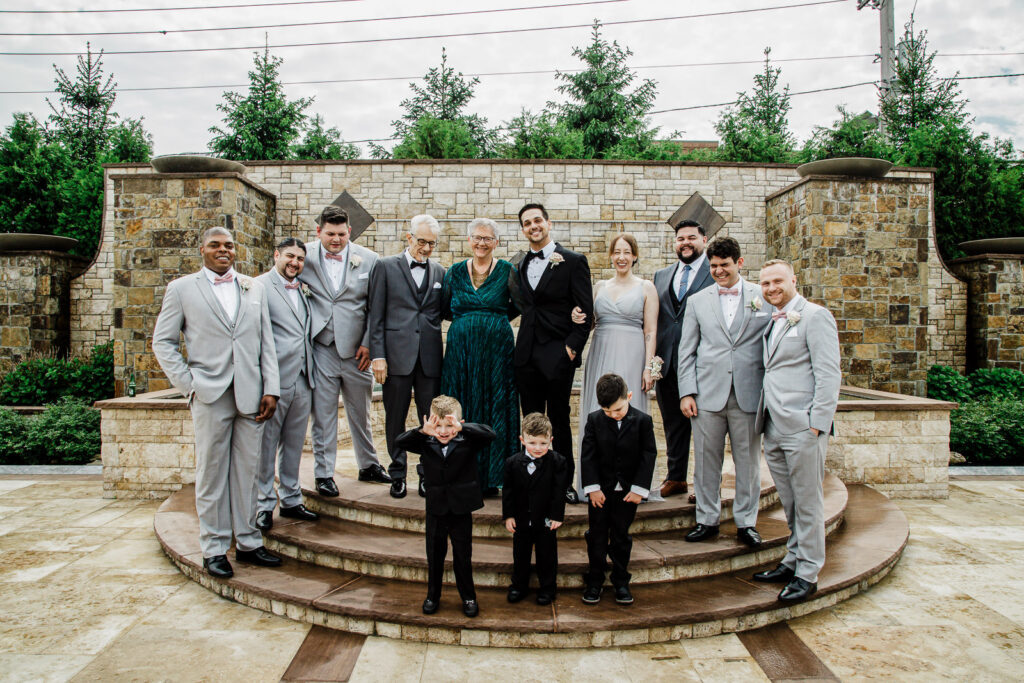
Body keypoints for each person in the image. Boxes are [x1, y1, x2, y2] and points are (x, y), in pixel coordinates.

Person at [152, 227, 282, 578]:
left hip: (252, 395)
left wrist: (272, 387)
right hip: (209, 393)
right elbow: (162, 343)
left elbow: (265, 341)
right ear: (202, 249)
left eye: (228, 245)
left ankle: (250, 542)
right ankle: (213, 548)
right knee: (211, 473)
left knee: (249, 472)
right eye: (215, 245)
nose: (222, 250)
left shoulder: (253, 287)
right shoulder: (181, 289)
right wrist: (189, 385)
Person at [751, 259, 841, 603]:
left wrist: (817, 423)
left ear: (793, 280)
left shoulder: (815, 316)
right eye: (765, 284)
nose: (771, 288)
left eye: (777, 281)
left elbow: (829, 374)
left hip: (803, 427)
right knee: (789, 501)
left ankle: (808, 573)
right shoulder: (773, 319)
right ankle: (792, 558)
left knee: (808, 502)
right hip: (773, 424)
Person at [677, 236, 770, 548]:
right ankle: (706, 520)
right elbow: (686, 350)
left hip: (748, 393)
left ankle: (746, 523)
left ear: (739, 264)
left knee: (748, 463)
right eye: (713, 266)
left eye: (724, 266)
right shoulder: (697, 301)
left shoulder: (763, 296)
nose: (718, 271)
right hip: (706, 394)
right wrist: (686, 392)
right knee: (705, 461)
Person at [300, 206, 390, 498]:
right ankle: (324, 473)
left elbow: (376, 307)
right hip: (322, 347)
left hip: (357, 351)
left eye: (341, 234)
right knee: (323, 413)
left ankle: (369, 464)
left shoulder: (370, 260)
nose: (336, 240)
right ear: (319, 232)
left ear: (349, 231)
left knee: (360, 411)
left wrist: (369, 343)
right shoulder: (304, 257)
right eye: (330, 234)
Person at [509, 202, 594, 504]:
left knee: (558, 420)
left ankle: (563, 483)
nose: (533, 226)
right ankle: (530, 481)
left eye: (537, 221)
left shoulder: (572, 261)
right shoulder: (518, 264)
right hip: (526, 357)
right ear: (523, 229)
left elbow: (587, 311)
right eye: (527, 223)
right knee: (530, 421)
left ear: (548, 222)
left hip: (558, 355)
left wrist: (571, 349)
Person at [396, 396, 496, 618]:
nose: (443, 431)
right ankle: (433, 595)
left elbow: (490, 434)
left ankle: (468, 596)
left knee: (463, 555)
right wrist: (423, 431)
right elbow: (399, 442)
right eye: (438, 425)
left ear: (459, 423)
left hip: (461, 509)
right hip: (436, 509)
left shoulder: (467, 440)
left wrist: (462, 428)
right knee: (434, 554)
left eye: (449, 425)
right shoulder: (425, 441)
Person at [440, 218, 519, 498]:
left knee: (496, 403)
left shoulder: (508, 270)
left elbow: (518, 306)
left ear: (496, 242)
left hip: (497, 351)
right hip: (461, 350)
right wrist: (469, 322)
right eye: (477, 237)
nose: (481, 243)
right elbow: (446, 307)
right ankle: (460, 472)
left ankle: (493, 475)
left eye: (487, 238)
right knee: (461, 403)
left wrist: (491, 321)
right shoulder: (455, 271)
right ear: (469, 240)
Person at [368, 215, 446, 499]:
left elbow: (445, 310)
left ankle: (426, 474)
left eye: (432, 244)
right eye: (422, 241)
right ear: (409, 237)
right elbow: (375, 315)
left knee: (432, 420)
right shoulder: (385, 267)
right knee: (395, 418)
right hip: (395, 359)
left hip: (429, 359)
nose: (426, 248)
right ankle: (397, 473)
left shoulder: (440, 272)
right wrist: (378, 355)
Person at [574, 233, 658, 490]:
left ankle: (632, 483)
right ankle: (594, 482)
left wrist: (649, 367)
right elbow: (590, 324)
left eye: (626, 252)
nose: (621, 257)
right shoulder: (599, 287)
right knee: (597, 413)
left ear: (634, 256)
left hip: (633, 354)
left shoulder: (646, 287)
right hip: (601, 350)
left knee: (630, 413)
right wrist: (576, 317)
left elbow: (651, 331)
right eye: (617, 252)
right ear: (610, 256)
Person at [254, 238, 319, 531]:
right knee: (267, 446)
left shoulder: (304, 288)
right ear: (276, 255)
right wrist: (266, 383)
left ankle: (291, 499)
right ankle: (263, 504)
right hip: (275, 380)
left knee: (294, 445)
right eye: (290, 256)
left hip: (304, 377)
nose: (295, 263)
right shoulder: (258, 287)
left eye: (300, 259)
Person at [580, 374, 657, 606]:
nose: (613, 415)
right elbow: (588, 455)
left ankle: (621, 580)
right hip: (600, 493)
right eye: (608, 411)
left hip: (627, 492)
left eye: (618, 410)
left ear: (629, 397)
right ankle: (595, 580)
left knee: (621, 536)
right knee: (597, 536)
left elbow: (648, 455)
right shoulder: (594, 420)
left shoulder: (643, 421)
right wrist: (592, 488)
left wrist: (639, 489)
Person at [653, 219, 713, 498]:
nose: (685, 243)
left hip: (702, 362)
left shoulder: (714, 274)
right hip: (666, 362)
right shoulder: (662, 276)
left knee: (704, 427)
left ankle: (704, 483)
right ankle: (676, 477)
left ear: (704, 240)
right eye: (680, 239)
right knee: (672, 425)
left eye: (692, 237)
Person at [501, 412, 568, 606]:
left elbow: (558, 491)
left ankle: (547, 588)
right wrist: (509, 516)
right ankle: (518, 586)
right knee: (520, 554)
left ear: (551, 440)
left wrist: (556, 515)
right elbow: (508, 492)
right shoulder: (511, 463)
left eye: (543, 443)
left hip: (546, 518)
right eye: (532, 443)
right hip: (521, 518)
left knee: (546, 555)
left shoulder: (558, 462)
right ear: (522, 440)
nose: (538, 448)